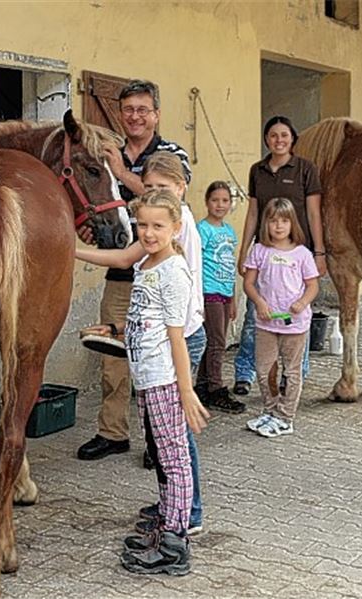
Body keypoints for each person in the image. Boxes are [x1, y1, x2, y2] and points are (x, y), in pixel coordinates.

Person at [77, 152, 209, 535]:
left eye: (161, 189)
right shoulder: (153, 249)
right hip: (158, 352)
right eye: (147, 188)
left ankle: (186, 518)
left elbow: (174, 329)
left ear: (180, 192)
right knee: (165, 444)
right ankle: (173, 509)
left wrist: (186, 390)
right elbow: (126, 266)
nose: (153, 195)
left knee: (176, 446)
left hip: (176, 348)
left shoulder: (172, 245)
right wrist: (118, 327)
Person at [77, 79, 191, 461]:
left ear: (156, 114)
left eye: (143, 109)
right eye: (128, 110)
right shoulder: (110, 152)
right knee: (113, 358)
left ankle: (158, 439)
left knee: (158, 360)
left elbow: (165, 199)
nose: (135, 116)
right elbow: (101, 203)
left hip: (160, 274)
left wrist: (122, 172)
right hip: (122, 274)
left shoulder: (171, 154)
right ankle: (113, 433)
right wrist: (88, 230)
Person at [233, 115, 324, 397]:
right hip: (265, 251)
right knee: (255, 315)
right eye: (273, 135)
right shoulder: (257, 170)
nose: (279, 140)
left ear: (292, 139)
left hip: (297, 250)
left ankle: (295, 374)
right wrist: (245, 248)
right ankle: (245, 373)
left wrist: (318, 251)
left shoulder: (305, 169)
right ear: (266, 139)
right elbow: (253, 213)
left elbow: (313, 213)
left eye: (284, 135)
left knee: (297, 313)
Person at [243, 198, 320, 437]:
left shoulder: (302, 254)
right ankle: (270, 410)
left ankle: (286, 417)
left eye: (284, 221)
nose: (278, 226)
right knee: (264, 369)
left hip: (294, 325)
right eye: (273, 221)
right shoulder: (259, 250)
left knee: (291, 371)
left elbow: (312, 286)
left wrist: (302, 302)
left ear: (292, 224)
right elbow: (249, 283)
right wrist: (259, 302)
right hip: (266, 322)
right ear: (266, 224)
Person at [195, 181, 244, 411]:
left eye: (225, 201)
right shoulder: (202, 230)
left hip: (225, 293)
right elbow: (196, 263)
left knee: (213, 342)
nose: (220, 205)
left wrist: (233, 299)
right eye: (215, 200)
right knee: (217, 343)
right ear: (207, 202)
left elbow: (229, 265)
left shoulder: (229, 232)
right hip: (209, 291)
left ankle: (203, 385)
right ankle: (216, 388)